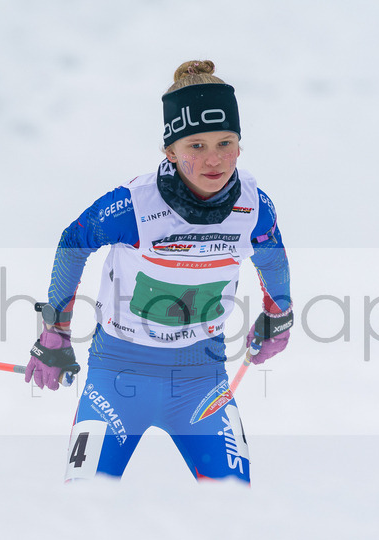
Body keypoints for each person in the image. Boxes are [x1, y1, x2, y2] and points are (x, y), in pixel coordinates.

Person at [24, 60, 292, 483]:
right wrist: (54, 330)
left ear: (240, 145)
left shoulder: (255, 207)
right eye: (196, 146)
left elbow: (272, 258)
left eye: (225, 142)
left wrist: (279, 317)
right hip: (116, 377)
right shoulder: (134, 205)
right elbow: (73, 244)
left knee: (235, 508)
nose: (214, 160)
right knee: (83, 506)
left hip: (201, 382)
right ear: (170, 151)